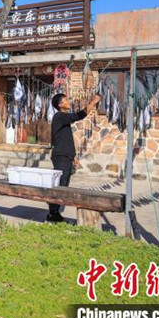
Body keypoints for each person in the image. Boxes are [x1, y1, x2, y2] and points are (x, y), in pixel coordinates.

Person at [48, 93, 101, 223]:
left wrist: (73, 157)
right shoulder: (59, 116)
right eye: (66, 100)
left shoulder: (63, 119)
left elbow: (65, 140)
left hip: (65, 157)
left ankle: (55, 213)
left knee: (63, 185)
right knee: (60, 186)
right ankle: (52, 215)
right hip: (61, 158)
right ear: (60, 105)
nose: (69, 101)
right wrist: (93, 102)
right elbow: (80, 115)